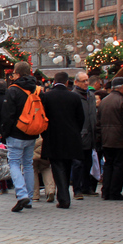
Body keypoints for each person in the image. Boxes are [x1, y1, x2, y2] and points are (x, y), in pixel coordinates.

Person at [40, 71, 84, 209]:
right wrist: (75, 131)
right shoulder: (74, 97)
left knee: (57, 166)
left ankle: (64, 197)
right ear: (67, 82)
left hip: (53, 137)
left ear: (54, 81)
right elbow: (81, 118)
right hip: (71, 137)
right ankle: (64, 194)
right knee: (67, 165)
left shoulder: (46, 97)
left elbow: (43, 117)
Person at [2, 61, 41, 213]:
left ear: (17, 73)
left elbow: (8, 115)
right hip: (32, 131)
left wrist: (5, 133)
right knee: (28, 164)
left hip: (16, 133)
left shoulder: (13, 90)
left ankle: (21, 194)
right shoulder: (36, 89)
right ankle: (30, 198)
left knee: (14, 163)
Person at [97, 77, 123, 201]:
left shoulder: (104, 101)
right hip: (120, 139)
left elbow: (98, 121)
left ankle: (106, 191)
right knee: (119, 166)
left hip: (106, 138)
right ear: (122, 87)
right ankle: (115, 192)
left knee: (108, 165)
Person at [71, 72, 97, 200]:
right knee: (78, 164)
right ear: (76, 82)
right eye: (83, 81)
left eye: (87, 80)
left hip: (91, 134)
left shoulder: (91, 96)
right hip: (79, 134)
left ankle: (87, 187)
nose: (86, 83)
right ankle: (77, 189)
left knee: (88, 162)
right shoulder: (73, 96)